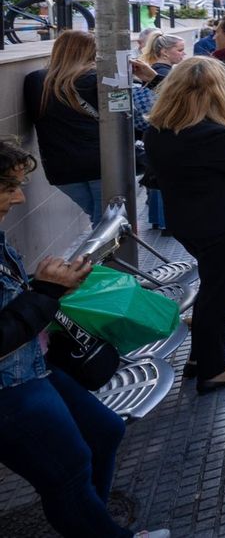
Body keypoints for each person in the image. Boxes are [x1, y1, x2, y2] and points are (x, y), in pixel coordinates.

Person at [0, 138, 171, 538]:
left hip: (30, 368)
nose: (21, 198)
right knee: (67, 472)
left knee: (103, 432)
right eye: (9, 187)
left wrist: (52, 286)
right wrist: (45, 291)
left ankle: (89, 519)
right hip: (9, 390)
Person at [143, 57, 225, 392]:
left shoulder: (157, 129)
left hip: (186, 222)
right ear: (217, 91)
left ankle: (200, 357)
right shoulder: (212, 135)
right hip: (221, 223)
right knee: (220, 295)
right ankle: (214, 369)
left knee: (211, 290)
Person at [22, 30, 103, 223]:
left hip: (61, 167)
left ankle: (103, 254)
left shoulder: (34, 81)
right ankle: (104, 255)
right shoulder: (94, 79)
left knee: (99, 218)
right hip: (102, 163)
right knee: (106, 221)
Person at [134, 32, 188, 233]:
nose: (183, 55)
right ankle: (166, 221)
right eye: (180, 50)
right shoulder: (163, 73)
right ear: (164, 51)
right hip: (164, 131)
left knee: (157, 176)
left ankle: (160, 219)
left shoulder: (158, 71)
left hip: (155, 133)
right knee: (163, 178)